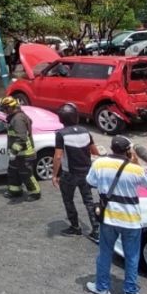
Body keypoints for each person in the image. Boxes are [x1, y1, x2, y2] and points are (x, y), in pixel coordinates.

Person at [86, 135, 147, 294]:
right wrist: (136, 161)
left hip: (109, 218)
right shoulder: (135, 169)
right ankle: (130, 292)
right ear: (128, 151)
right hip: (131, 221)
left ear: (112, 148)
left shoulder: (99, 163)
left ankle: (102, 287)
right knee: (132, 256)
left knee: (105, 253)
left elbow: (90, 182)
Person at [52, 103, 100, 241]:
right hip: (86, 172)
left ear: (61, 119)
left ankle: (75, 227)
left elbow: (58, 156)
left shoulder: (61, 134)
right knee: (89, 201)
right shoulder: (85, 131)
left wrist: (54, 175)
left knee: (68, 200)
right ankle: (96, 230)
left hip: (69, 174)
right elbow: (94, 151)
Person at [0, 96, 41, 202]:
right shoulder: (16, 117)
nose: (3, 111)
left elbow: (21, 138)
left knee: (26, 174)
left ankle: (35, 192)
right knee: (13, 172)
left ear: (10, 108)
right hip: (19, 154)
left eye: (4, 108)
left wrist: (14, 152)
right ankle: (15, 191)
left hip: (24, 153)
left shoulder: (18, 119)